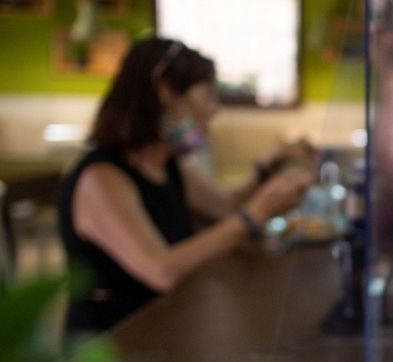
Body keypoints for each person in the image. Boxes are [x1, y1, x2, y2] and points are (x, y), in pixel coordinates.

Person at [58, 38, 312, 334]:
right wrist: (257, 213)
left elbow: (227, 207)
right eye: (207, 96)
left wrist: (265, 168)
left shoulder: (166, 167)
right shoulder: (101, 178)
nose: (214, 110)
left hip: (161, 327)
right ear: (165, 92)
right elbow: (161, 271)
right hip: (109, 344)